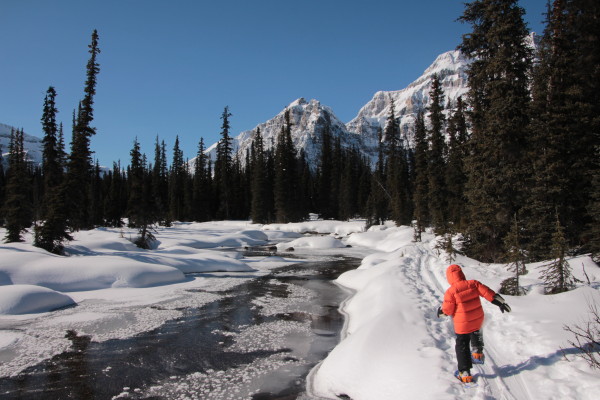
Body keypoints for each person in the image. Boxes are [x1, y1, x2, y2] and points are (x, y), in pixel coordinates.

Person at [437, 264, 511, 383]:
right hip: (477, 318)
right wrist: (501, 303)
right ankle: (477, 353)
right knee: (477, 330)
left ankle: (465, 372)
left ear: (449, 278)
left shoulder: (451, 292)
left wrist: (440, 312)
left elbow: (447, 310)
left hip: (463, 324)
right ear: (461, 274)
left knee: (462, 345)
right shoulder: (473, 283)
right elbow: (488, 294)